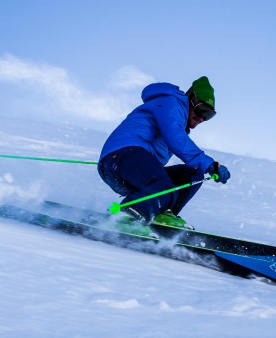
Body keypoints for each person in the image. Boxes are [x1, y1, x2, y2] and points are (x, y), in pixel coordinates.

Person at [98, 76, 231, 231]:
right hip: (121, 157)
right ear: (190, 99)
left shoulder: (181, 122)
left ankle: (162, 216)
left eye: (209, 115)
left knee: (191, 175)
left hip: (135, 169)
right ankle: (128, 215)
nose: (202, 117)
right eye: (202, 109)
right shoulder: (171, 103)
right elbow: (175, 138)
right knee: (163, 185)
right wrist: (209, 164)